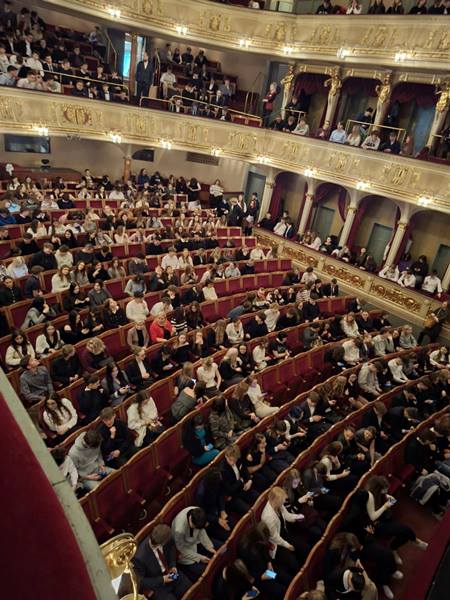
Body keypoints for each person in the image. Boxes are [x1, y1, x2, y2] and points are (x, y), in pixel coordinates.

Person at [133, 524, 192, 599]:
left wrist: (172, 565)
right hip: (157, 583)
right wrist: (163, 579)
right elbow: (141, 581)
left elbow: (172, 549)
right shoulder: (140, 557)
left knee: (189, 588)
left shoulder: (167, 537)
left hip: (170, 572)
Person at [260, 487, 304, 576]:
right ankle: (297, 575)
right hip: (277, 544)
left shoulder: (278, 505)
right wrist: (287, 545)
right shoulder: (268, 517)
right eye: (282, 500)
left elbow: (287, 516)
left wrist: (298, 517)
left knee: (303, 547)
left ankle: (303, 569)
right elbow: (275, 537)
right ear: (276, 500)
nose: (284, 502)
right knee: (293, 563)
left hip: (284, 534)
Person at [171, 506, 215, 580]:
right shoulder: (179, 529)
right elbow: (181, 548)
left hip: (194, 542)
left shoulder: (198, 512)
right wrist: (199, 557)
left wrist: (209, 547)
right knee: (204, 572)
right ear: (190, 518)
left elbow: (201, 531)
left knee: (215, 551)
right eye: (195, 527)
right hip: (183, 549)